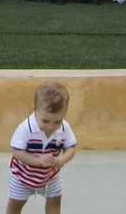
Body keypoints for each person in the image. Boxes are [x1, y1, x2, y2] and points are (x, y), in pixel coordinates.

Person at [5, 80, 78, 214]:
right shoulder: (26, 128)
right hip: (22, 176)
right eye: (45, 121)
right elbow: (16, 151)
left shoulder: (64, 128)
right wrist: (37, 161)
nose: (51, 126)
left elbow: (71, 148)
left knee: (55, 200)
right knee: (15, 205)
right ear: (34, 109)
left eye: (57, 121)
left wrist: (62, 159)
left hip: (50, 176)